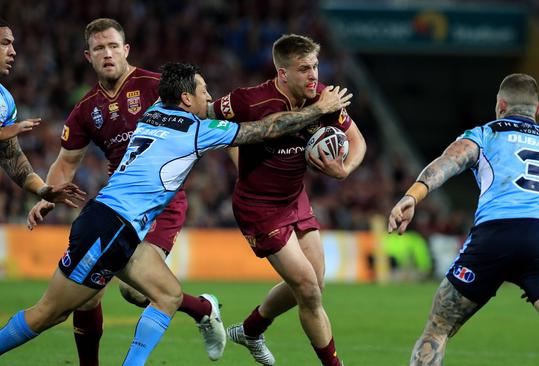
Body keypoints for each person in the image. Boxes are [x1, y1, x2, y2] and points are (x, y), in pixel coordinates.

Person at [0, 62, 352, 365]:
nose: (209, 99)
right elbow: (264, 129)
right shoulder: (196, 131)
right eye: (203, 91)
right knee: (49, 313)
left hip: (122, 229)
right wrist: (317, 109)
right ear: (186, 99)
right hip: (108, 226)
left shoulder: (153, 112)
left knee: (166, 295)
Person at [23, 18, 227, 364]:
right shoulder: (86, 108)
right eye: (99, 48)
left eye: (114, 46)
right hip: (119, 205)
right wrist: (47, 194)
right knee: (87, 297)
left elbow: (209, 114)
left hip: (162, 203)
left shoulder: (156, 87)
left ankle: (202, 308)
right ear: (88, 56)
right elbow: (65, 162)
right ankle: (203, 309)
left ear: (126, 49)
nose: (108, 54)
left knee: (134, 291)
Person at [388, 73, 539, 366]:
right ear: (537, 109)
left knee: (437, 331)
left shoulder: (485, 134)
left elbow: (448, 163)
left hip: (492, 237)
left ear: (500, 105)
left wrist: (412, 196)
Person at [207, 33, 366, 366]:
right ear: (282, 73)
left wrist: (344, 170)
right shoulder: (249, 101)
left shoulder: (322, 99)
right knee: (307, 288)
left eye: (316, 67)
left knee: (315, 285)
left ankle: (249, 330)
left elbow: (357, 140)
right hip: (258, 208)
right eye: (304, 69)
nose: (314, 76)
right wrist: (237, 156)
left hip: (295, 200)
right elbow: (208, 117)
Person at [0, 19, 84, 216]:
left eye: (12, 44)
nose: (13, 51)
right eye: (5, 43)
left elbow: (12, 157)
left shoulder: (5, 101)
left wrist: (44, 190)